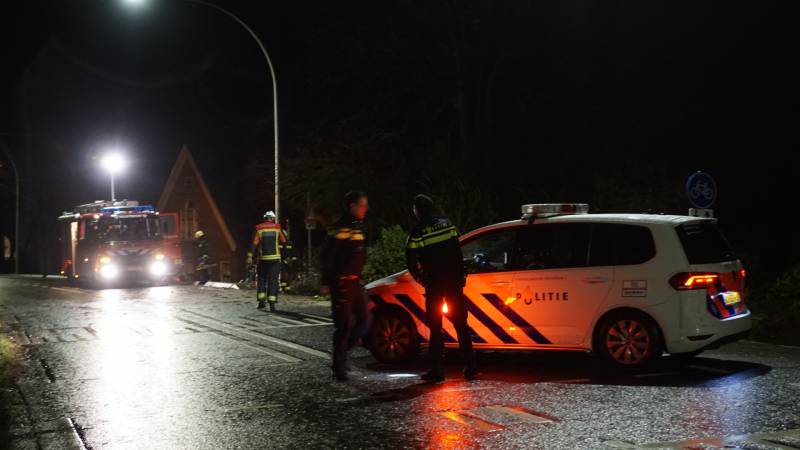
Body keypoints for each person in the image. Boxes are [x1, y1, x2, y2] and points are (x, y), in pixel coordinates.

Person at [406, 194, 477, 383]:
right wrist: (461, 275)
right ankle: (471, 368)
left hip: (435, 286)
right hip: (453, 283)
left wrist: (422, 280)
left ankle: (437, 371)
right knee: (461, 325)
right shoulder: (448, 224)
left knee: (436, 328)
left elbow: (411, 262)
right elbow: (458, 251)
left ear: (417, 212)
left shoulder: (418, 232)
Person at [321, 191, 371, 381]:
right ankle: (339, 365)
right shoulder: (340, 227)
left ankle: (342, 355)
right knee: (344, 325)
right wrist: (326, 281)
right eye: (362, 205)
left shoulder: (358, 226)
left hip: (355, 282)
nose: (365, 209)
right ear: (352, 206)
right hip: (341, 282)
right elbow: (327, 255)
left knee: (365, 320)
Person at [247, 211, 288, 311]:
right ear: (273, 218)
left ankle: (261, 302)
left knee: (261, 280)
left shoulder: (259, 228)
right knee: (273, 281)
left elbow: (254, 243)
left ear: (265, 218)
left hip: (263, 259)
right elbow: (284, 241)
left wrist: (250, 256)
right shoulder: (277, 227)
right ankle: (272, 304)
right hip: (275, 259)